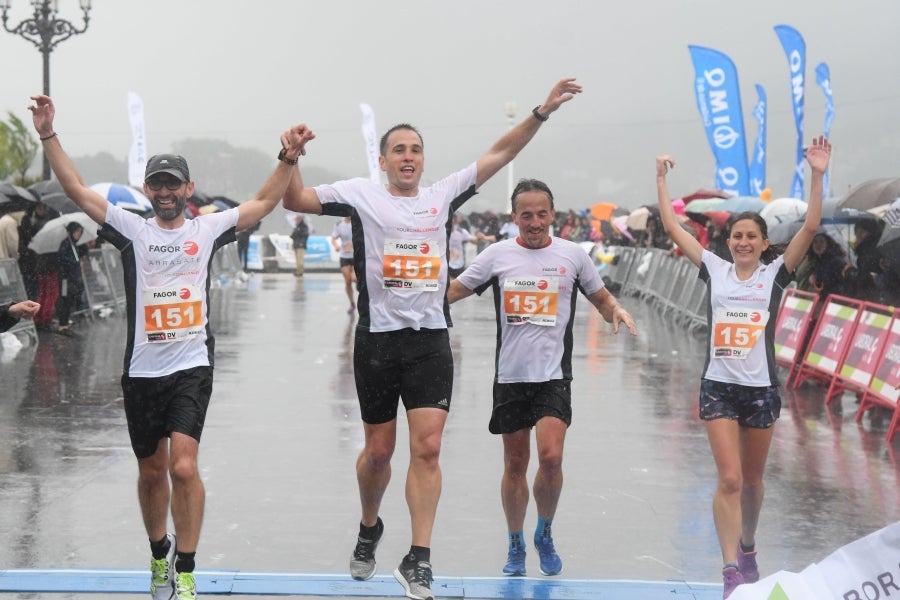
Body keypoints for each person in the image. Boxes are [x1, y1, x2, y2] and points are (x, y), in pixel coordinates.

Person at [281, 77, 582, 600]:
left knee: (428, 448)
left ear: (423, 160)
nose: (408, 157)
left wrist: (541, 112)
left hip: (429, 343)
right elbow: (297, 199)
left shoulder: (443, 196)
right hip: (377, 342)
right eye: (398, 149)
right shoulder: (358, 195)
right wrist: (290, 157)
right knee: (378, 453)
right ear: (383, 159)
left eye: (416, 150)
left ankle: (419, 557)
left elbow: (499, 152)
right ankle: (369, 526)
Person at [30, 93, 313, 600]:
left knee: (184, 466)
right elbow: (74, 188)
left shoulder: (206, 230)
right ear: (148, 189)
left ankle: (186, 567)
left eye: (172, 184)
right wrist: (49, 132)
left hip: (191, 366)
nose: (164, 192)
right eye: (156, 184)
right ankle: (159, 550)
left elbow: (265, 203)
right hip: (142, 371)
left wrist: (288, 158)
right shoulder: (131, 230)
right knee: (151, 471)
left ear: (188, 188)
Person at [655, 135, 831, 599]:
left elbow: (811, 228)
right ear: (728, 241)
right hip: (718, 387)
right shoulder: (713, 268)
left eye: (752, 236)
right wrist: (661, 179)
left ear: (764, 242)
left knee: (753, 481)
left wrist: (817, 174)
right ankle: (731, 567)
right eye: (737, 236)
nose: (744, 242)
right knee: (729, 478)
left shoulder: (776, 274)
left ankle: (749, 546)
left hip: (761, 390)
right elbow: (673, 229)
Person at [447, 178, 637, 577]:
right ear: (514, 217)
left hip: (553, 376)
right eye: (526, 215)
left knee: (551, 459)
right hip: (511, 377)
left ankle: (544, 532)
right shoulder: (496, 255)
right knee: (515, 464)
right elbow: (453, 291)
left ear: (554, 215)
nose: (535, 222)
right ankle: (515, 542)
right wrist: (403, 301)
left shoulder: (572, 256)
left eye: (542, 214)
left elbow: (600, 298)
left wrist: (615, 311)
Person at [54, 221, 87, 336]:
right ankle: (62, 324)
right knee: (65, 300)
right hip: (65, 279)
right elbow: (62, 259)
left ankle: (65, 323)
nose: (78, 234)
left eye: (80, 232)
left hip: (73, 278)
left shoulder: (74, 244)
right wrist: (75, 263)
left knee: (70, 300)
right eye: (77, 231)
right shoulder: (66, 244)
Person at [330, 215, 355, 313]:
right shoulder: (339, 225)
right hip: (344, 256)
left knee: (355, 278)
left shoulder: (357, 222)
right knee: (348, 281)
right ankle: (352, 303)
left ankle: (361, 292)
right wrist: (336, 246)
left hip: (356, 255)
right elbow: (333, 239)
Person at [447, 213, 475, 279]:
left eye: (452, 219)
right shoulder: (442, 232)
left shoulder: (461, 230)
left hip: (459, 262)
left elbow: (472, 239)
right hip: (447, 262)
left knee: (457, 280)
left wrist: (478, 238)